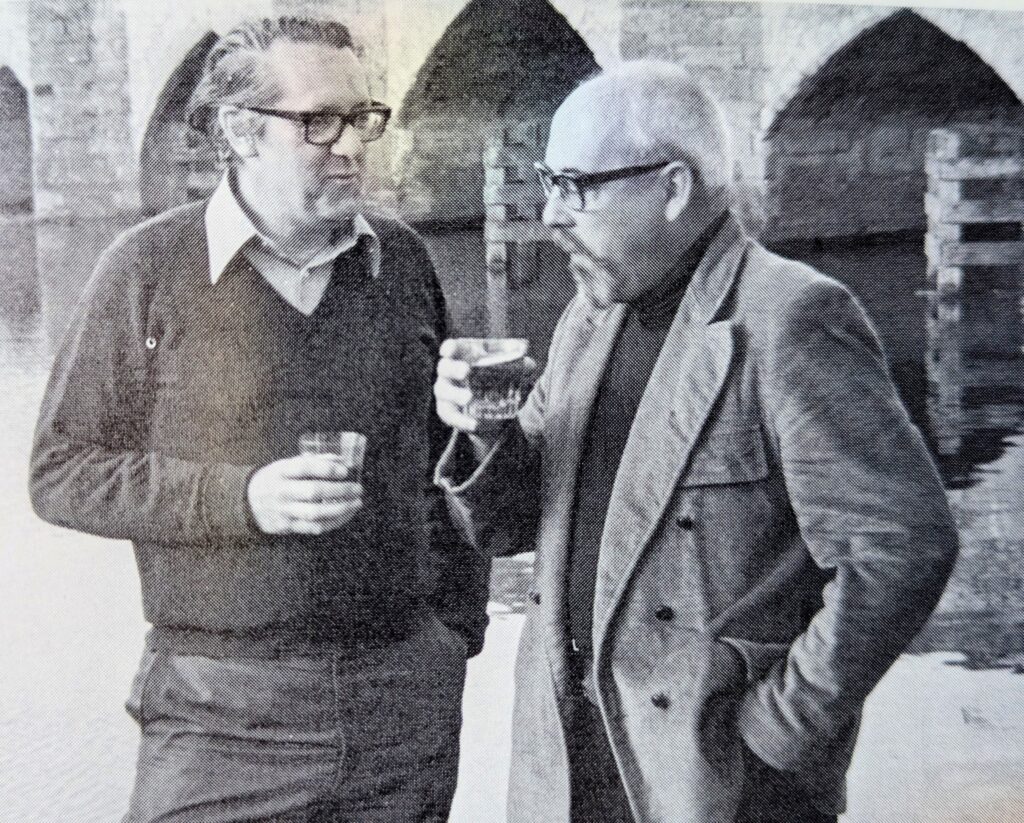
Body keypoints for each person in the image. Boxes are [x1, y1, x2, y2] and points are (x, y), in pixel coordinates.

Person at [435, 61, 958, 823]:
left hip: (712, 782)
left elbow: (900, 547)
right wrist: (481, 428)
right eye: (548, 182)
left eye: (575, 186)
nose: (550, 213)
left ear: (672, 187)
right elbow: (512, 523)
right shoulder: (589, 315)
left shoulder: (790, 317)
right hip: (568, 766)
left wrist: (773, 731)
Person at [30, 16, 489, 823]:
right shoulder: (146, 269)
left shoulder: (405, 260)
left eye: (361, 117)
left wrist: (453, 636)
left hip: (400, 712)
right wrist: (243, 498)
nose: (351, 145)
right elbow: (61, 471)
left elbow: (442, 464)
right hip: (219, 719)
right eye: (318, 122)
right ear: (241, 131)